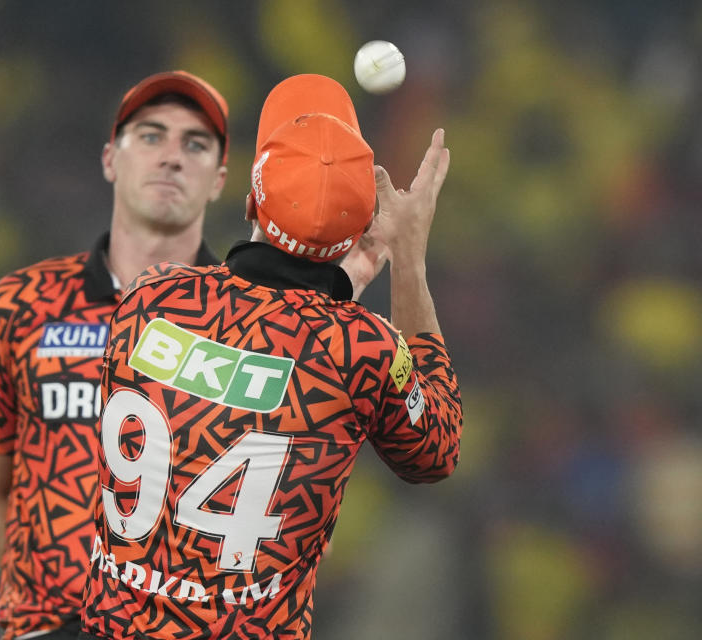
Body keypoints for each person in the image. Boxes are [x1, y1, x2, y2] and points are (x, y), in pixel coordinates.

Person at [78, 74, 463, 639]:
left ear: (253, 199)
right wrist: (407, 260)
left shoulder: (148, 299)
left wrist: (334, 289)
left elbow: (258, 348)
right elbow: (435, 450)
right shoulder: (361, 350)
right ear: (361, 225)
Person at [0, 70, 229, 640]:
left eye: (195, 144)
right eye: (150, 136)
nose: (172, 156)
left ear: (220, 180)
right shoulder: (18, 305)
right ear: (109, 159)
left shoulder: (254, 326)